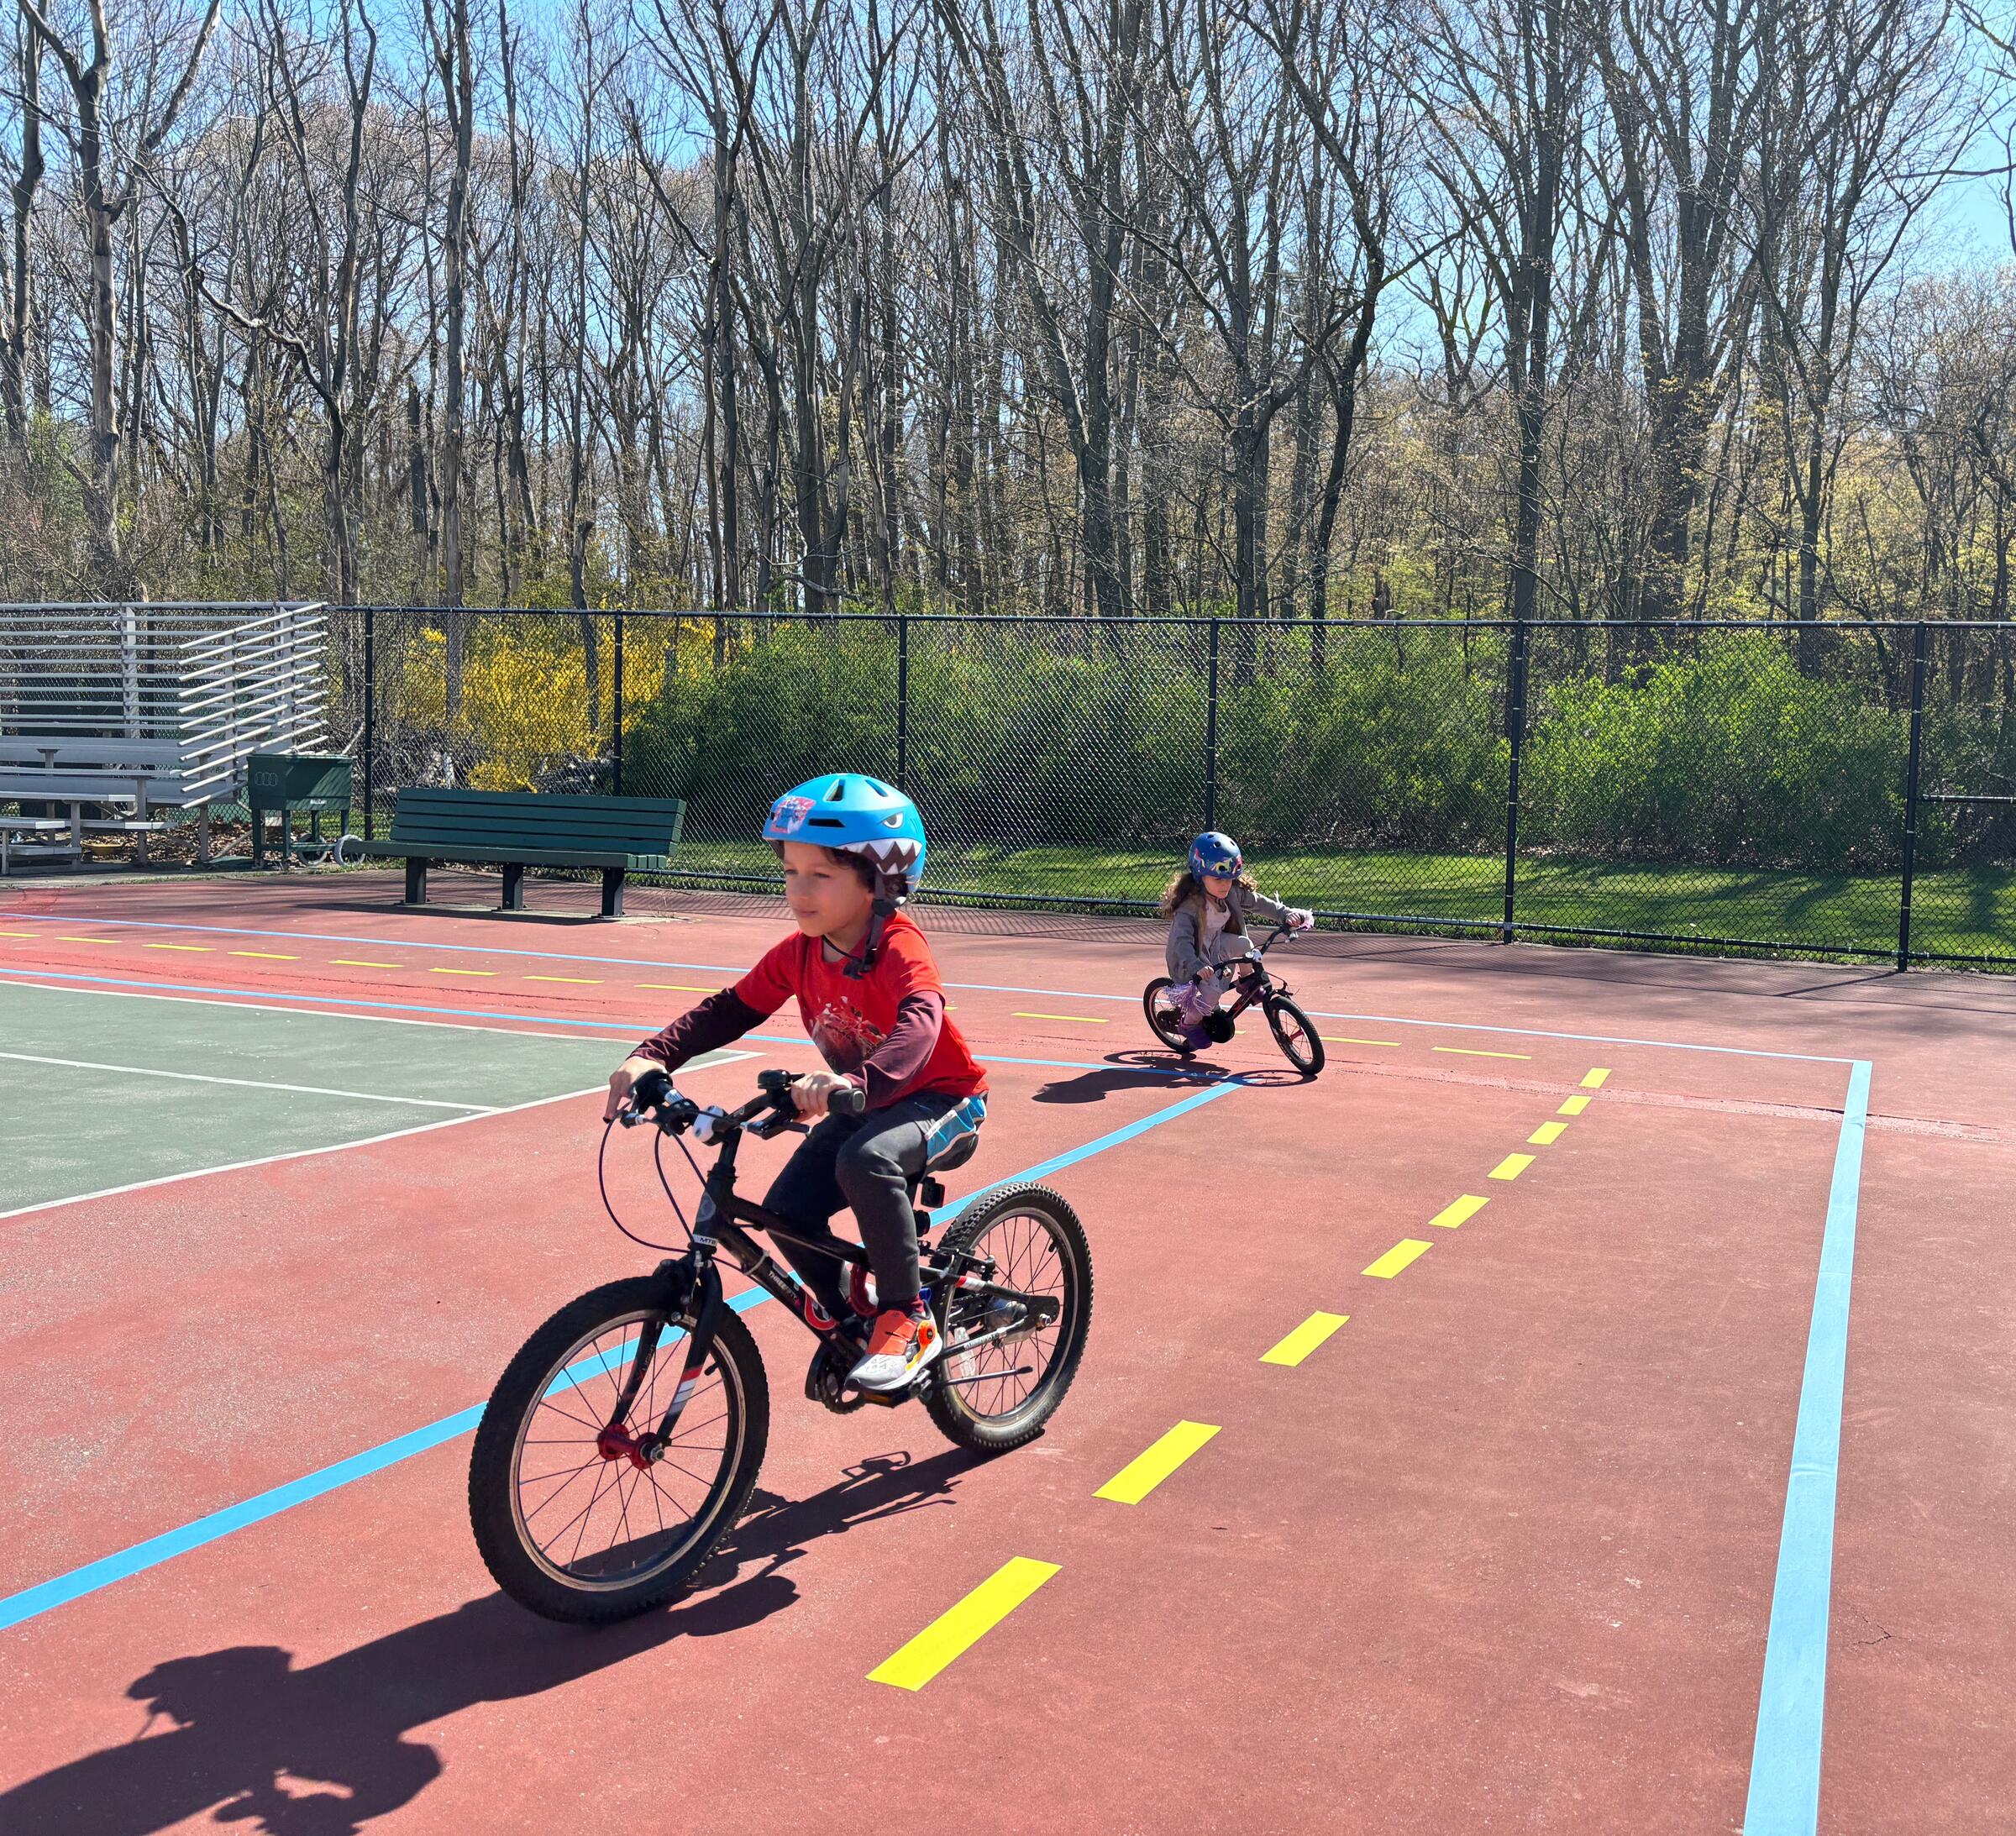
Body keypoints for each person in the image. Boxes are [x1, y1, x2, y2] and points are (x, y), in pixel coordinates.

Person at [604, 774, 986, 1393]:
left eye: (821, 875)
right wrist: (653, 1057)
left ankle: (907, 1318)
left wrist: (857, 1080)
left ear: (878, 883)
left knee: (867, 1162)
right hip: (861, 1098)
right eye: (790, 872)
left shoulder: (896, 946)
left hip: (941, 1099)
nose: (798, 891)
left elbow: (922, 1020)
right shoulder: (800, 951)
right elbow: (731, 1008)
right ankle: (851, 1321)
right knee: (785, 1213)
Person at [1161, 831, 1314, 1051]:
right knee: (1212, 994)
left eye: (1229, 879)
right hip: (1192, 957)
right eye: (1217, 879)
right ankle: (1188, 1023)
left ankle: (1246, 982)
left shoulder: (1230, 892)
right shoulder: (1189, 908)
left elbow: (1259, 902)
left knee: (1244, 945)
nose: (1225, 885)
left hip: (1216, 944)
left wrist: (1284, 914)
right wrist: (1196, 966)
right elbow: (1181, 944)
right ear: (1199, 876)